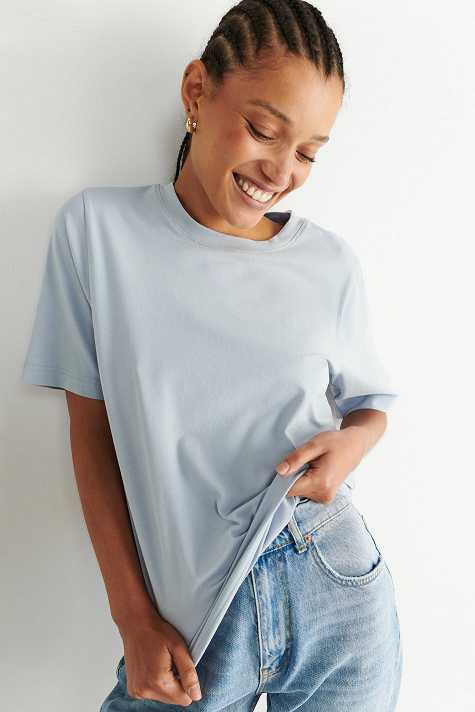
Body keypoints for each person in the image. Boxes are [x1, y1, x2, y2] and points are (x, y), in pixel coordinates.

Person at [21, 1, 403, 709]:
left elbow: (369, 409)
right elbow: (91, 435)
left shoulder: (329, 262)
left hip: (332, 582)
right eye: (263, 130)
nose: (281, 170)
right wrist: (132, 618)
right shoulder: (96, 231)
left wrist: (351, 446)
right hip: (193, 623)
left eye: (308, 153)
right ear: (196, 91)